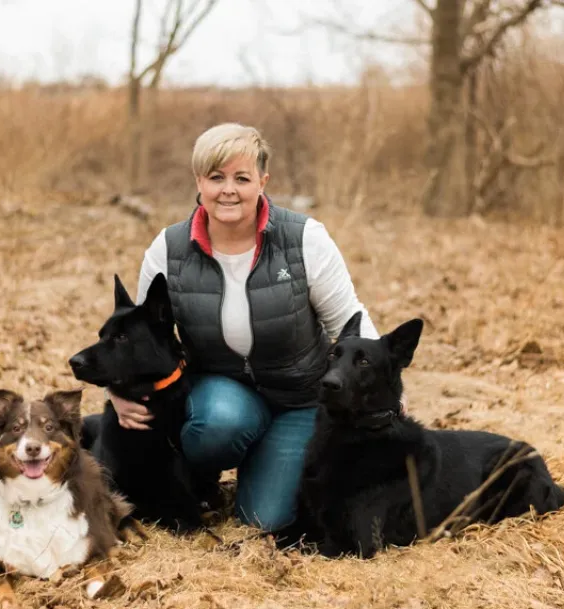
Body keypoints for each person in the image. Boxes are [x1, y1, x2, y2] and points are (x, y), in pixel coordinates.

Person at [110, 122, 379, 531]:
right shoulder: (169, 248)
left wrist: (378, 387)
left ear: (262, 181)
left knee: (263, 520)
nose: (228, 190)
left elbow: (348, 322)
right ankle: (203, 475)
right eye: (216, 178)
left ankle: (271, 457)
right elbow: (142, 336)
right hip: (222, 395)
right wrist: (117, 393)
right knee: (214, 428)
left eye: (241, 178)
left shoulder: (304, 239)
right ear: (199, 181)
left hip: (302, 399)